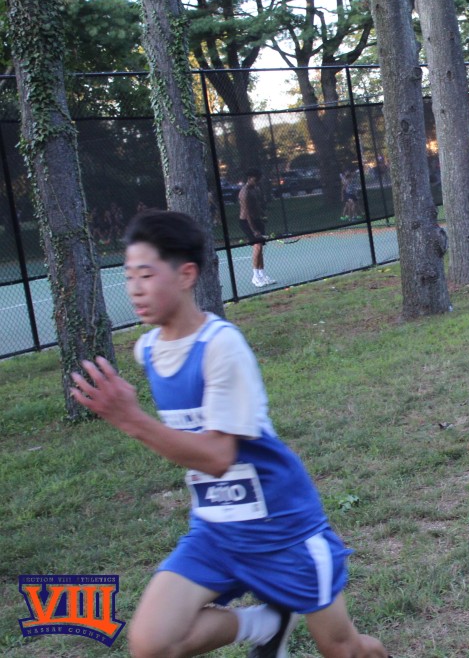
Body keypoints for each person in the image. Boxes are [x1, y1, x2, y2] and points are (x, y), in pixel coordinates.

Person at [69, 210, 388, 658]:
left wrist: (131, 419)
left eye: (146, 274)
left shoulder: (222, 346)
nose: (135, 289)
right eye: (128, 277)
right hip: (216, 532)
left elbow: (218, 457)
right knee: (151, 643)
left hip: (282, 532)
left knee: (342, 649)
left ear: (186, 275)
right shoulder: (149, 350)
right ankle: (267, 624)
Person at [239, 169, 273, 287]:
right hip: (247, 222)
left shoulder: (256, 189)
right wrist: (254, 230)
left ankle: (262, 275)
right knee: (257, 247)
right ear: (250, 178)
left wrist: (262, 215)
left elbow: (257, 205)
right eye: (256, 179)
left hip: (257, 220)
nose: (258, 181)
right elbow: (247, 213)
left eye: (259, 179)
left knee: (260, 248)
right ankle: (255, 277)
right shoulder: (244, 192)